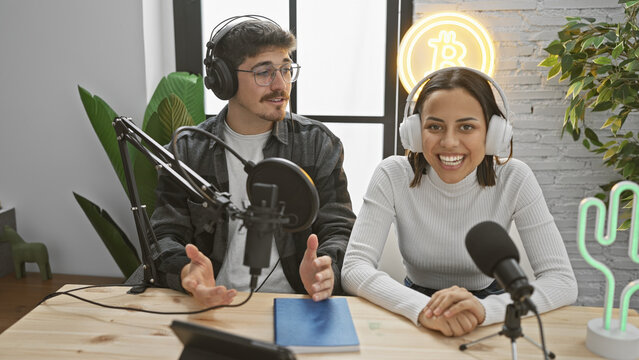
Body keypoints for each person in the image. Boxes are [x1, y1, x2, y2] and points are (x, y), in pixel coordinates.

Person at [341, 67, 577, 337]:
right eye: (434, 126)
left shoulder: (515, 178)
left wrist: (487, 309)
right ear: (415, 133)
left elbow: (562, 282)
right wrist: (423, 310)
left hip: (488, 308)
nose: (449, 142)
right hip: (414, 307)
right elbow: (354, 268)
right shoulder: (392, 174)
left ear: (493, 133)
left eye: (467, 126)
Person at [150, 16, 355, 307]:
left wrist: (326, 269)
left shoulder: (317, 143)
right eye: (264, 73)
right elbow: (164, 234)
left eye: (286, 69)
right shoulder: (188, 149)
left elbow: (340, 229)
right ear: (225, 80)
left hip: (297, 301)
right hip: (212, 301)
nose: (281, 85)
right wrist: (187, 270)